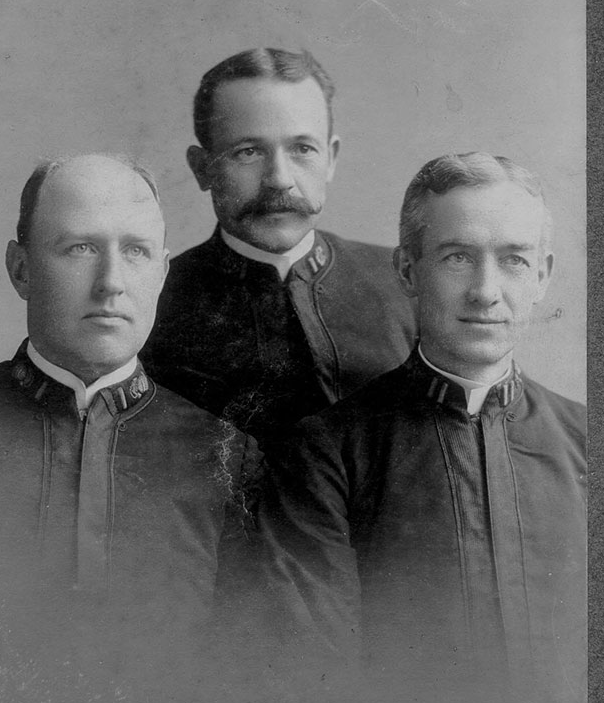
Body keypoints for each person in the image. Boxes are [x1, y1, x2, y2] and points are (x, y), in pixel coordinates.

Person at [256, 153, 586, 703]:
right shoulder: (326, 451)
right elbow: (316, 679)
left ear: (542, 276)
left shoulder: (590, 444)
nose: (487, 291)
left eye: (513, 260)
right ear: (407, 270)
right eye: (457, 257)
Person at [0, 154, 258, 703]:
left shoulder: (230, 456)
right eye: (80, 248)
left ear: (163, 274)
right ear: (20, 269)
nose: (111, 281)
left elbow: (250, 683)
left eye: (137, 251)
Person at [140, 48, 415, 450]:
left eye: (302, 149)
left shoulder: (404, 283)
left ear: (331, 158)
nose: (279, 180)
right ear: (203, 168)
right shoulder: (151, 301)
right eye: (248, 152)